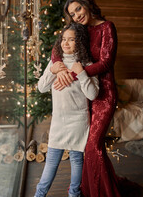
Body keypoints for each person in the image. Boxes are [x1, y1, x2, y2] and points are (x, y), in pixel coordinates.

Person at [51, 0, 143, 197]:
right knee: (89, 146)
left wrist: (75, 74)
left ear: (87, 5)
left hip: (104, 95)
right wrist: (57, 66)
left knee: (92, 146)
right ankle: (96, 187)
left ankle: (102, 193)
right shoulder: (78, 30)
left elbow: (105, 63)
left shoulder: (107, 27)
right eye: (72, 14)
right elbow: (58, 47)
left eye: (78, 9)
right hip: (83, 94)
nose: (76, 16)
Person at [34, 22, 99, 197]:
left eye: (71, 40)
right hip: (59, 121)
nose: (66, 43)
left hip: (78, 120)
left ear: (80, 42)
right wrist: (52, 71)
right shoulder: (56, 62)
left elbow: (93, 94)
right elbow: (41, 87)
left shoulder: (86, 63)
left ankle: (74, 194)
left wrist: (82, 73)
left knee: (77, 160)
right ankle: (39, 194)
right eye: (64, 39)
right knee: (51, 161)